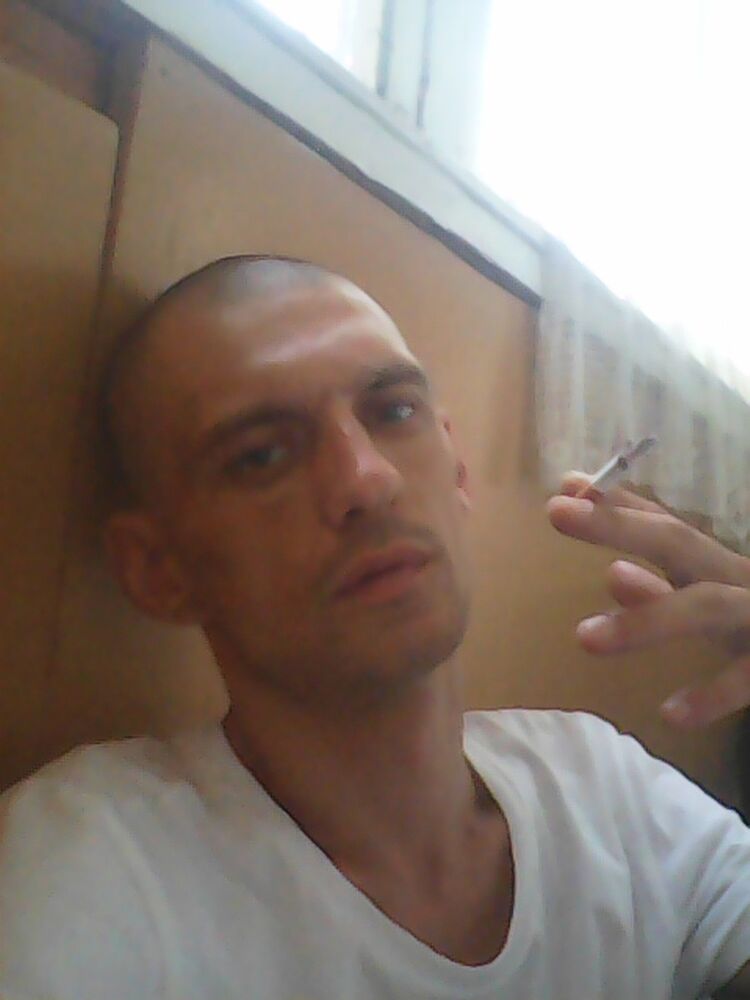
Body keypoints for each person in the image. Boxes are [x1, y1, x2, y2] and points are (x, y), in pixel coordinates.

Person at [0, 254, 749, 1000]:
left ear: (457, 472)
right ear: (160, 568)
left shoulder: (605, 789)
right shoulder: (97, 868)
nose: (368, 478)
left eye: (392, 412)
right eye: (261, 454)